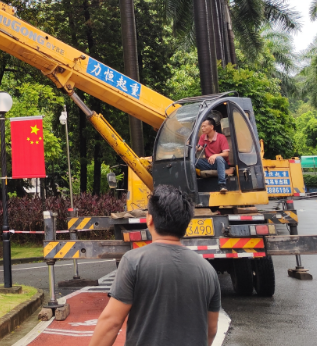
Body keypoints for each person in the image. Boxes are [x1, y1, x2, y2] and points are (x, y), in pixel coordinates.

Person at [88, 184, 221, 346]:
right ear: (186, 224)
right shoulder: (208, 271)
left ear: (149, 219)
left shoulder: (134, 261)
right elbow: (211, 330)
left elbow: (111, 323)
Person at [196, 117, 231, 194]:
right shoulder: (203, 137)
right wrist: (192, 146)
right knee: (193, 161)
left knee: (219, 158)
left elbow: (226, 153)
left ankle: (222, 184)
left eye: (204, 126)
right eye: (202, 126)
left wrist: (215, 155)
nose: (202, 128)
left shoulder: (221, 137)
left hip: (221, 163)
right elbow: (199, 148)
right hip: (209, 163)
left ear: (212, 127)